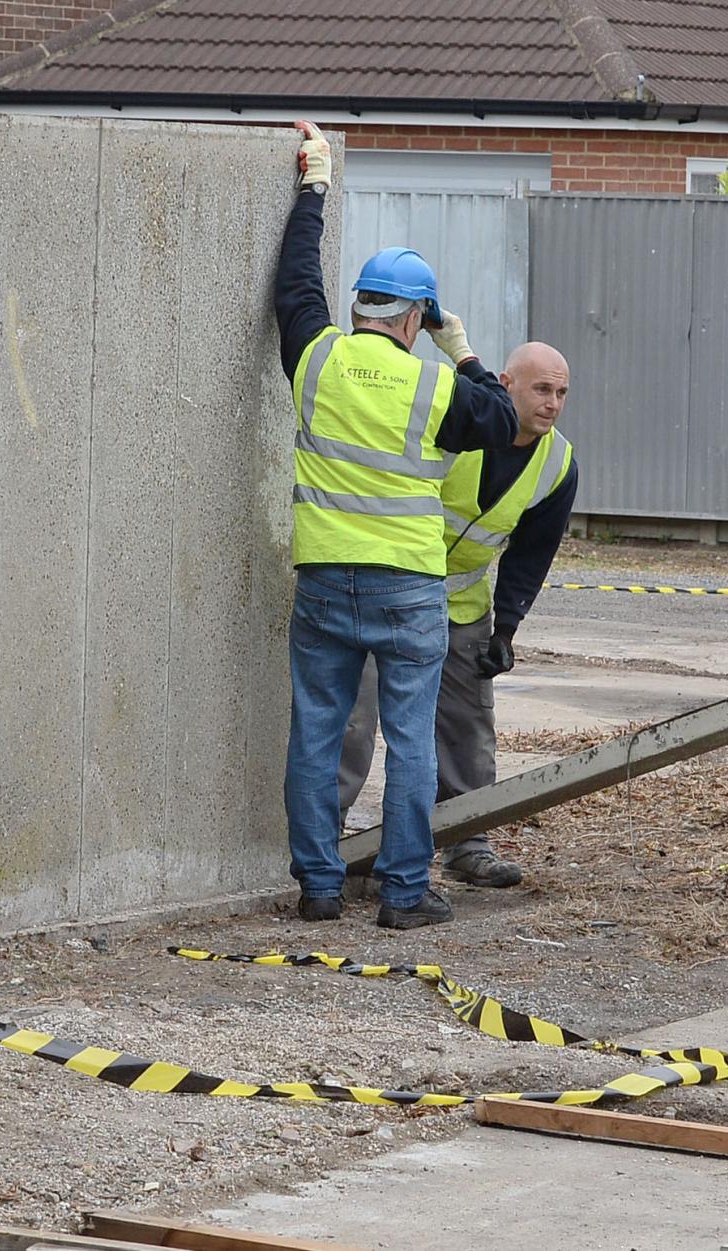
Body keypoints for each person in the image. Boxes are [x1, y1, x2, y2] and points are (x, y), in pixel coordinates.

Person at [278, 123, 517, 929]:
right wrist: (463, 347)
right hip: (410, 590)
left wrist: (314, 186)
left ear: (358, 308)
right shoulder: (437, 389)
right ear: (416, 319)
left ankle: (317, 887)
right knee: (408, 740)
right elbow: (504, 415)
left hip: (322, 579)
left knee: (318, 731)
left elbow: (295, 281)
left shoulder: (314, 356)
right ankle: (405, 894)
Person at [334, 341, 576, 887]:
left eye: (561, 392)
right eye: (542, 389)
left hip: (461, 608)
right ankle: (331, 841)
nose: (553, 403)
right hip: (390, 589)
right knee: (355, 719)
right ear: (507, 383)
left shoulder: (557, 463)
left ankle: (469, 839)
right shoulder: (456, 426)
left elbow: (531, 554)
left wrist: (507, 628)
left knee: (468, 727)